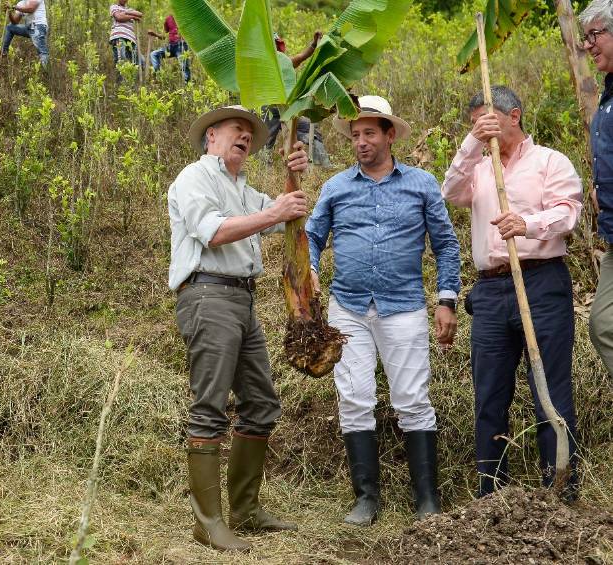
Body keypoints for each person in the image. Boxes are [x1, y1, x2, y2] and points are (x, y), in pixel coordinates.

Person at [306, 95, 461, 525]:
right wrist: (310, 269)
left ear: (390, 135)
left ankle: (427, 498)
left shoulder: (422, 184)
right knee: (354, 398)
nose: (360, 142)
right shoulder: (336, 187)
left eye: (369, 133)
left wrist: (446, 299)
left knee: (412, 398)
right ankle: (366, 498)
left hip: (404, 306)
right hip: (347, 309)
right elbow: (312, 236)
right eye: (355, 135)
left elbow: (446, 244)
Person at [168, 105, 308, 550]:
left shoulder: (241, 187)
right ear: (212, 135)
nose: (246, 136)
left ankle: (244, 510)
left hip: (243, 299)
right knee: (209, 406)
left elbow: (284, 214)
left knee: (261, 402)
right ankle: (207, 522)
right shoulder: (195, 177)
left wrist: (292, 175)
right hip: (207, 295)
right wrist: (275, 212)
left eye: (250, 133)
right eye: (237, 129)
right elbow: (211, 232)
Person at [442, 86, 582, 498]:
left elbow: (569, 212)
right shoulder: (481, 169)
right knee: (489, 394)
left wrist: (528, 224)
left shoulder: (549, 161)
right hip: (489, 290)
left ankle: (560, 489)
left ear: (514, 116)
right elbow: (450, 192)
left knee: (550, 390)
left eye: (486, 120)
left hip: (541, 281)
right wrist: (471, 143)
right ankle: (491, 493)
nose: (480, 129)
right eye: (473, 125)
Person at [580, 1, 613, 378]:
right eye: (585, 37)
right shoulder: (607, 94)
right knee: (603, 324)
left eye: (596, 34)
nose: (589, 44)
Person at [263, 31, 331, 167]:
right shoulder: (261, 65)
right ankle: (264, 171)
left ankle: (324, 166)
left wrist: (314, 44)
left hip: (289, 109)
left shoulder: (285, 63)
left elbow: (302, 56)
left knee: (311, 131)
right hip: (269, 109)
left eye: (276, 46)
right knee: (266, 142)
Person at [1, 0, 49, 68]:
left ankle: (45, 71)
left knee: (42, 52)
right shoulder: (21, 3)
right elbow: (15, 21)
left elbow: (31, 9)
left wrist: (14, 7)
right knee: (10, 27)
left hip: (38, 26)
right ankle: (3, 54)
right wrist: (9, 12)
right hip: (29, 28)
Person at [147, 14, 190, 83]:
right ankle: (157, 75)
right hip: (171, 46)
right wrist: (154, 34)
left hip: (181, 45)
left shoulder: (183, 16)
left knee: (184, 66)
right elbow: (163, 36)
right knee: (154, 54)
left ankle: (187, 85)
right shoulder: (168, 18)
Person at [109, 0, 142, 73]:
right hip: (119, 35)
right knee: (121, 60)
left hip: (131, 39)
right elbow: (119, 17)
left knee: (138, 62)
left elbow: (140, 14)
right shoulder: (114, 7)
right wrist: (132, 16)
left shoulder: (130, 9)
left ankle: (132, 83)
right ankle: (121, 83)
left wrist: (127, 12)